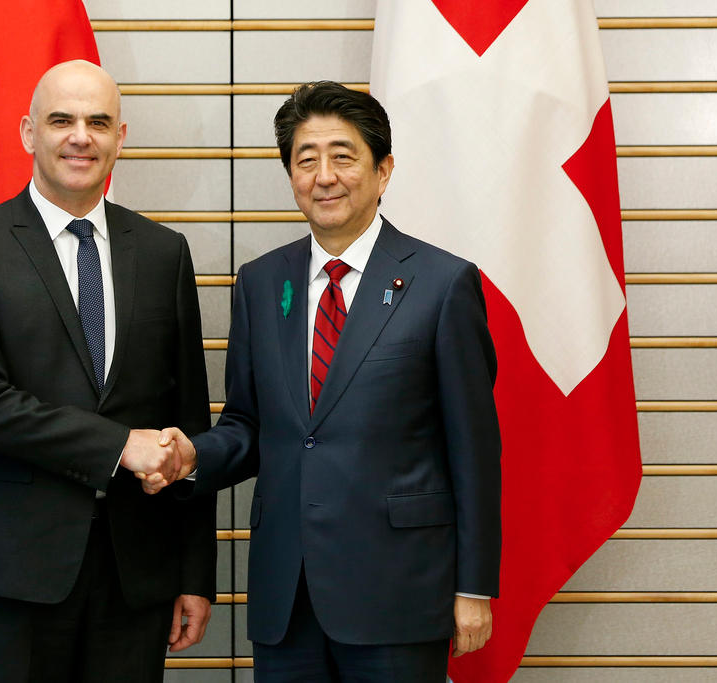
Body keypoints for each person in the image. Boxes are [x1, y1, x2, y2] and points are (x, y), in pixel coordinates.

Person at [154, 81, 501, 681]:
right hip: (286, 597)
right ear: (290, 174)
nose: (324, 175)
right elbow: (247, 424)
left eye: (343, 156)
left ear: (383, 170)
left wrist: (474, 587)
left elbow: (473, 448)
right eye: (305, 159)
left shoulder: (444, 285)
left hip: (398, 593)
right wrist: (192, 457)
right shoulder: (261, 283)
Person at [0, 60, 215, 682]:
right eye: (62, 120)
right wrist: (120, 447)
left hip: (137, 578)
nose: (80, 136)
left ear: (121, 137)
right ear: (29, 132)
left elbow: (189, 422)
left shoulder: (165, 253)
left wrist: (194, 575)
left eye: (98, 122)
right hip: (17, 578)